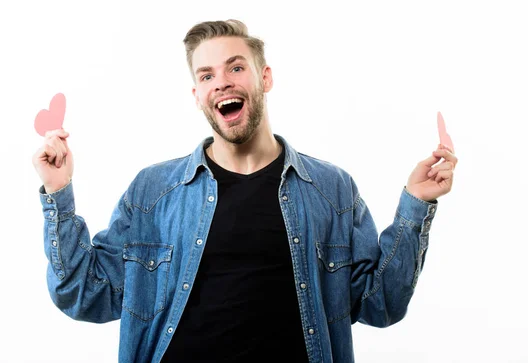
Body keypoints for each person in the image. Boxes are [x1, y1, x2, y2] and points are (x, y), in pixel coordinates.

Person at [32, 19, 457, 363]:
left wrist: (416, 205)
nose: (222, 82)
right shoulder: (154, 192)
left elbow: (380, 304)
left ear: (264, 77)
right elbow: (82, 294)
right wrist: (58, 193)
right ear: (196, 94)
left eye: (236, 67)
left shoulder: (331, 189)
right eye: (207, 75)